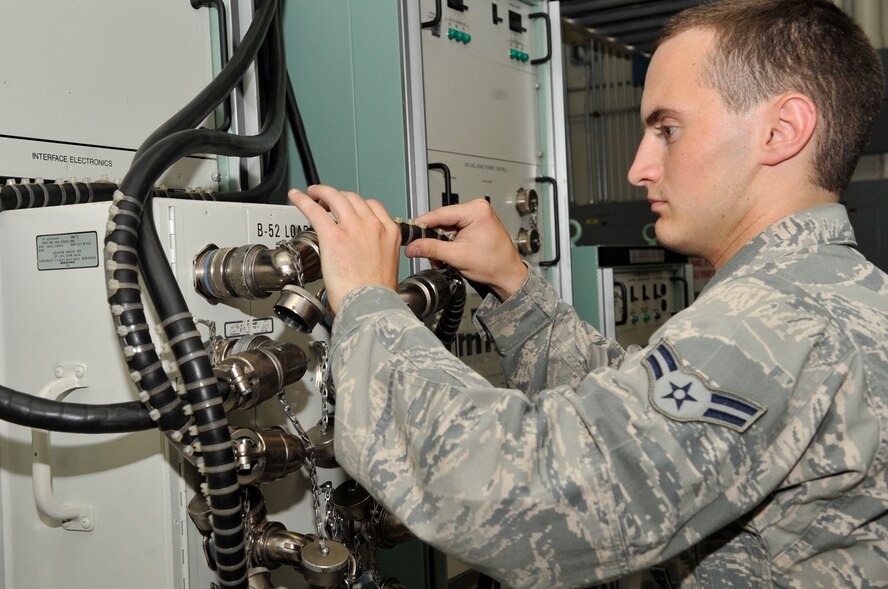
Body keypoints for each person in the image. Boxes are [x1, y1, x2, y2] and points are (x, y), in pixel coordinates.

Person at [289, 0, 888, 586]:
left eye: (668, 130)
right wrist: (515, 288)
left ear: (783, 130)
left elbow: (514, 494)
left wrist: (368, 301)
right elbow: (635, 415)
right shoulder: (836, 293)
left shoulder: (776, 318)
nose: (638, 167)